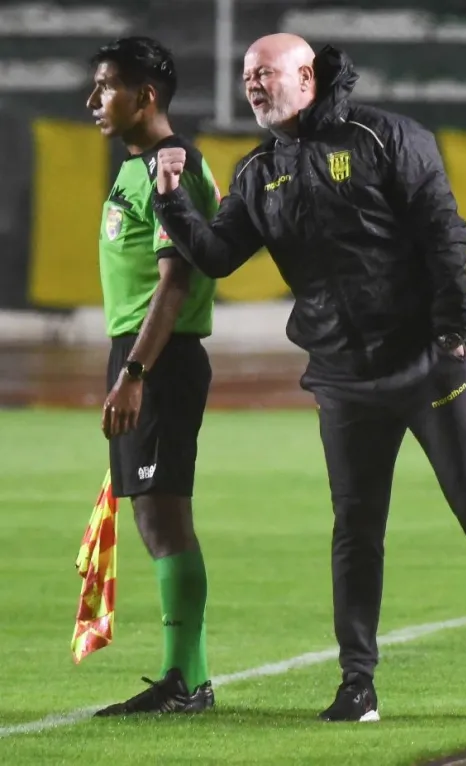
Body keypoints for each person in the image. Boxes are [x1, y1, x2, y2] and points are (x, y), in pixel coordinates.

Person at [150, 33, 466, 723]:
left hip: (425, 364)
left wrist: (453, 334)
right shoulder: (260, 172)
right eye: (247, 74)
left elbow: (445, 233)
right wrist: (171, 203)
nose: (252, 84)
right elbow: (219, 256)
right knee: (357, 529)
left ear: (307, 74)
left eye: (266, 73)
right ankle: (357, 684)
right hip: (341, 376)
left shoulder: (385, 138)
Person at [87, 36, 221, 716]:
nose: (92, 102)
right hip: (141, 355)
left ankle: (186, 681)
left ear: (145, 95)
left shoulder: (173, 169)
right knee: (153, 514)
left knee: (164, 515)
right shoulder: (142, 167)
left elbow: (175, 282)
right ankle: (185, 678)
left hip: (159, 360)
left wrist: (136, 370)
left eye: (105, 87)